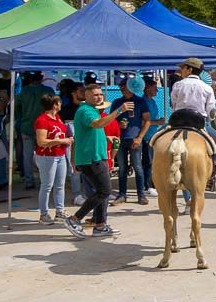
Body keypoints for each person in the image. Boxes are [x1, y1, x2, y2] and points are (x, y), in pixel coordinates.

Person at [63, 83, 129, 239]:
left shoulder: (92, 111)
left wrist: (106, 138)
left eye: (100, 94)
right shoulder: (86, 111)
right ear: (86, 96)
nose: (99, 97)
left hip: (97, 157)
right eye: (95, 94)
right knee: (104, 191)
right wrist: (119, 111)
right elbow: (97, 124)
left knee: (102, 191)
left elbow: (87, 133)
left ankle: (100, 225)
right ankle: (74, 219)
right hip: (91, 158)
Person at [169, 58, 216, 192]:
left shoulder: (178, 85)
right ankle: (213, 171)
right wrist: (211, 119)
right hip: (198, 124)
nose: (181, 70)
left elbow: (173, 104)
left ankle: (155, 175)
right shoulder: (206, 87)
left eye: (183, 68)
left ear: (190, 70)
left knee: (153, 142)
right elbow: (211, 110)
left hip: (177, 123)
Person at [111, 77, 152, 205]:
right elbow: (111, 119)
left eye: (124, 86)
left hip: (134, 138)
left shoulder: (140, 101)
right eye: (120, 87)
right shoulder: (117, 102)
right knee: (122, 168)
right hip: (121, 138)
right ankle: (122, 194)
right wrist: (118, 124)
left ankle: (141, 195)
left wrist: (139, 137)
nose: (122, 88)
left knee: (137, 166)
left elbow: (147, 120)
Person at [33, 93, 73, 224]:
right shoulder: (42, 120)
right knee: (47, 186)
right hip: (47, 157)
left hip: (60, 155)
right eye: (59, 102)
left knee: (60, 185)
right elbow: (41, 141)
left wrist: (66, 139)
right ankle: (44, 214)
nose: (61, 104)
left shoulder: (58, 118)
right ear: (55, 104)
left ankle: (59, 212)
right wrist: (60, 140)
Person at [15, 72, 54, 190]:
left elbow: (16, 108)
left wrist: (20, 120)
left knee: (27, 155)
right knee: (46, 155)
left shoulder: (22, 91)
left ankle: (29, 181)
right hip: (45, 127)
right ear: (41, 78)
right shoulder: (48, 90)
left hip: (26, 126)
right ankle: (46, 180)